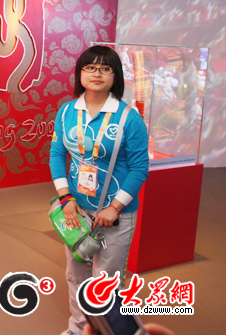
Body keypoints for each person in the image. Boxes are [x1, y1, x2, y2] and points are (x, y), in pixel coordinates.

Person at [49, 45, 149, 335]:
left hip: (114, 215)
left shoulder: (128, 118)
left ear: (115, 76)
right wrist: (65, 198)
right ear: (80, 73)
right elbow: (57, 154)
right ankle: (79, 328)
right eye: (90, 67)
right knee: (76, 274)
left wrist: (114, 208)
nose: (97, 73)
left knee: (105, 282)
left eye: (106, 68)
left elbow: (139, 168)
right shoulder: (67, 112)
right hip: (76, 210)